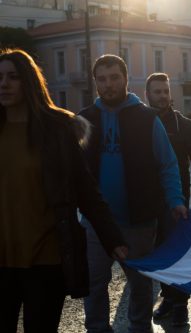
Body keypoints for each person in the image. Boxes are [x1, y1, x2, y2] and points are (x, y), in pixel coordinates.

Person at [0, 48, 127, 333]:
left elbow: (85, 189)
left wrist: (112, 238)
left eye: (13, 77)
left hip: (46, 259)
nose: (4, 84)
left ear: (29, 82)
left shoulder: (57, 130)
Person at [79, 55, 187, 333]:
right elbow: (72, 171)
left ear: (126, 79)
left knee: (140, 285)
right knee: (94, 285)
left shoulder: (146, 118)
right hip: (96, 224)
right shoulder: (84, 119)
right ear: (95, 83)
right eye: (102, 79)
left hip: (138, 222)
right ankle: (98, 329)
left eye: (114, 77)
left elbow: (168, 164)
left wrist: (175, 200)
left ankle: (139, 328)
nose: (108, 84)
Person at [144, 72, 191, 326]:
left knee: (177, 251)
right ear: (147, 95)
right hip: (144, 201)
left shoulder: (184, 125)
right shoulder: (139, 122)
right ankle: (167, 297)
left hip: (176, 200)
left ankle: (180, 305)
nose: (163, 96)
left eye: (166, 91)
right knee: (156, 251)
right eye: (157, 91)